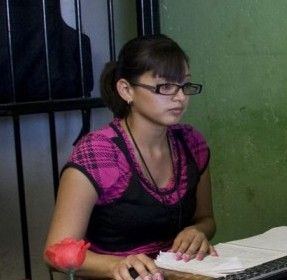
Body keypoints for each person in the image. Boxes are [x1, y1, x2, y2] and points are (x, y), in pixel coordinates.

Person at [44, 34, 217, 280]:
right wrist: (115, 265)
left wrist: (197, 231)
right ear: (126, 90)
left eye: (184, 85)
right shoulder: (98, 152)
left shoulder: (191, 143)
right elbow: (56, 253)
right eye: (165, 87)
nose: (180, 97)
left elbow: (206, 219)